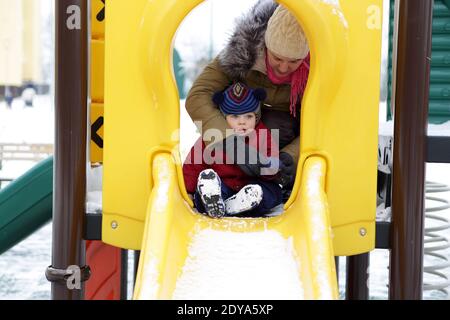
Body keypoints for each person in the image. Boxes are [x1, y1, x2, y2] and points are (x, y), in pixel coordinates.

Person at [185, 1, 310, 197]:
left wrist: (290, 157)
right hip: (241, 127)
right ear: (265, 47)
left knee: (278, 126)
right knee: (216, 135)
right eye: (277, 58)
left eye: (294, 61)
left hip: (283, 138)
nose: (284, 68)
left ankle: (265, 191)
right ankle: (222, 186)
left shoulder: (317, 70)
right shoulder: (243, 52)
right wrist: (227, 140)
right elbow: (198, 94)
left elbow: (325, 122)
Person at [183, 82, 283, 218]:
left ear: (256, 117)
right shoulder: (213, 137)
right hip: (224, 185)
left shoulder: (262, 135)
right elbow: (194, 164)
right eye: (235, 117)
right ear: (224, 118)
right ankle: (211, 197)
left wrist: (270, 167)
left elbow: (272, 160)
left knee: (272, 192)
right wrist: (187, 190)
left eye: (249, 116)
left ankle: (240, 203)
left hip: (250, 186)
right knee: (208, 187)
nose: (242, 122)